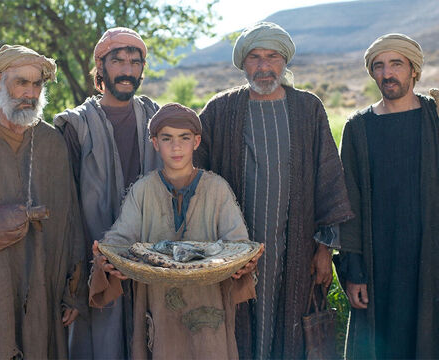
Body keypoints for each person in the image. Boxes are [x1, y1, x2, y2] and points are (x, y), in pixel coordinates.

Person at [194, 22, 354, 359]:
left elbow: (328, 180)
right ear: (243, 63)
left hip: (294, 253)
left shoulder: (308, 109)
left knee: (290, 332)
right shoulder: (220, 110)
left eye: (273, 56)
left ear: (285, 62)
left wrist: (324, 250)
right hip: (232, 254)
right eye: (255, 57)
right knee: (236, 331)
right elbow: (194, 175)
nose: (264, 66)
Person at [89, 102, 264, 359]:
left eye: (184, 138)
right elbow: (119, 240)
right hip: (158, 308)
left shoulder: (217, 188)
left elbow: (237, 243)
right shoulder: (143, 190)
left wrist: (245, 264)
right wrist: (106, 258)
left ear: (196, 141)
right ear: (155, 143)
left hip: (208, 307)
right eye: (167, 138)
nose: (176, 146)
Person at [0, 44, 86, 359]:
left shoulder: (52, 143)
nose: (30, 92)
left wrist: (73, 293)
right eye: (21, 82)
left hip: (43, 291)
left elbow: (70, 221)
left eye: (37, 83)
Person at [54, 27, 161, 359]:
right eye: (118, 61)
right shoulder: (74, 127)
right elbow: (65, 209)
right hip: (94, 266)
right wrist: (86, 266)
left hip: (151, 263)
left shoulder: (157, 118)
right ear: (100, 67)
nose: (127, 70)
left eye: (135, 61)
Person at [339, 33, 439, 359]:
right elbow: (348, 203)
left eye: (396, 63)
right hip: (377, 265)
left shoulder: (435, 118)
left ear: (414, 70)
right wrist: (353, 271)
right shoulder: (358, 128)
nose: (387, 73)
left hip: (429, 261)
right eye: (378, 66)